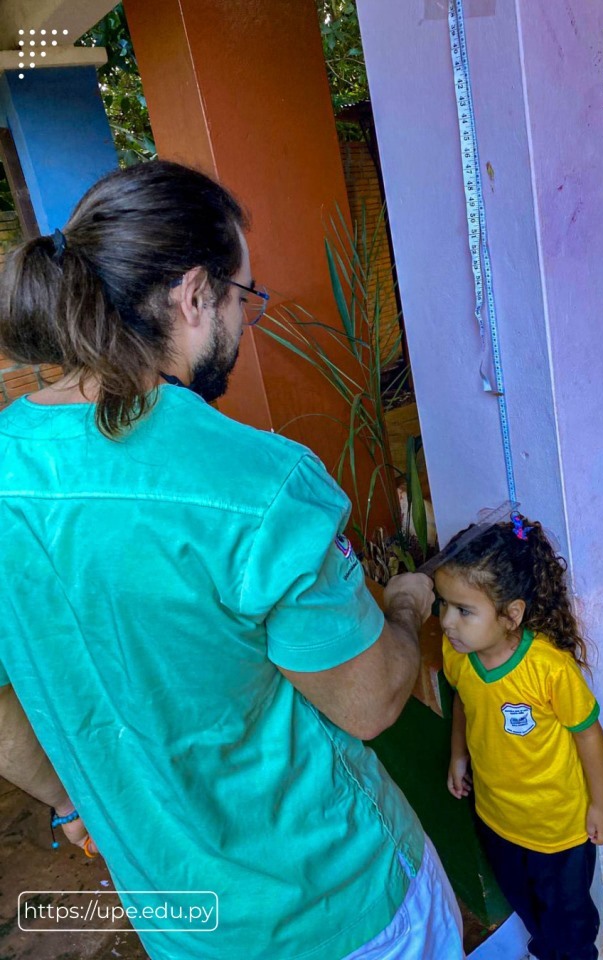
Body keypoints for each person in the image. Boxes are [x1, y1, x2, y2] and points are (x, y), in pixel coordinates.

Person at [0, 159, 464, 959]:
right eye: (243, 296)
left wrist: (75, 804)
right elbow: (369, 701)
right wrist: (408, 603)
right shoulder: (256, 484)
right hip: (338, 910)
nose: (246, 322)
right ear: (191, 295)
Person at [437, 515, 603, 960]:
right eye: (443, 604)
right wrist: (458, 754)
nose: (446, 622)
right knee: (528, 907)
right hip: (498, 819)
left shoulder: (548, 669)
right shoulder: (459, 654)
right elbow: (465, 701)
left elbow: (588, 735)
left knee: (570, 923)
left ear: (511, 614)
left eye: (463, 610)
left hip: (558, 830)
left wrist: (602, 803)